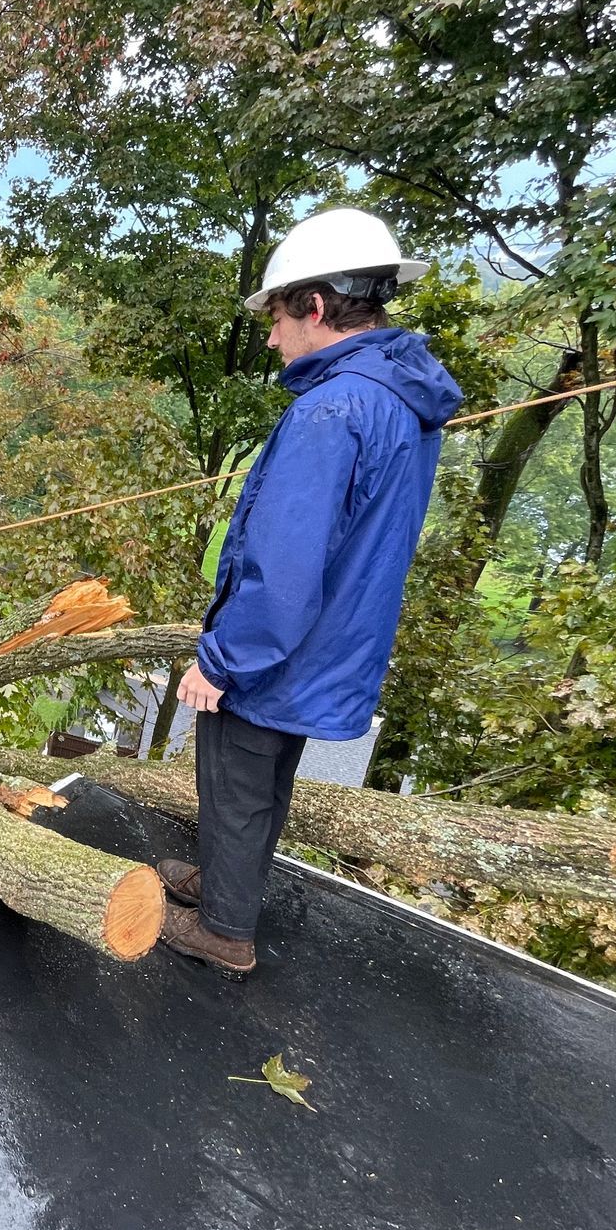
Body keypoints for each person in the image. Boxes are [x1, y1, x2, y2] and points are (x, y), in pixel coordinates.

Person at [161, 207, 464, 977]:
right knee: (263, 784)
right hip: (330, 644)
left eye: (276, 317)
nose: (270, 337)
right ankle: (227, 886)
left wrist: (223, 660)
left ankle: (224, 932)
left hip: (281, 651)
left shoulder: (332, 409)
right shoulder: (399, 400)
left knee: (235, 783)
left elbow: (286, 566)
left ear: (317, 306)